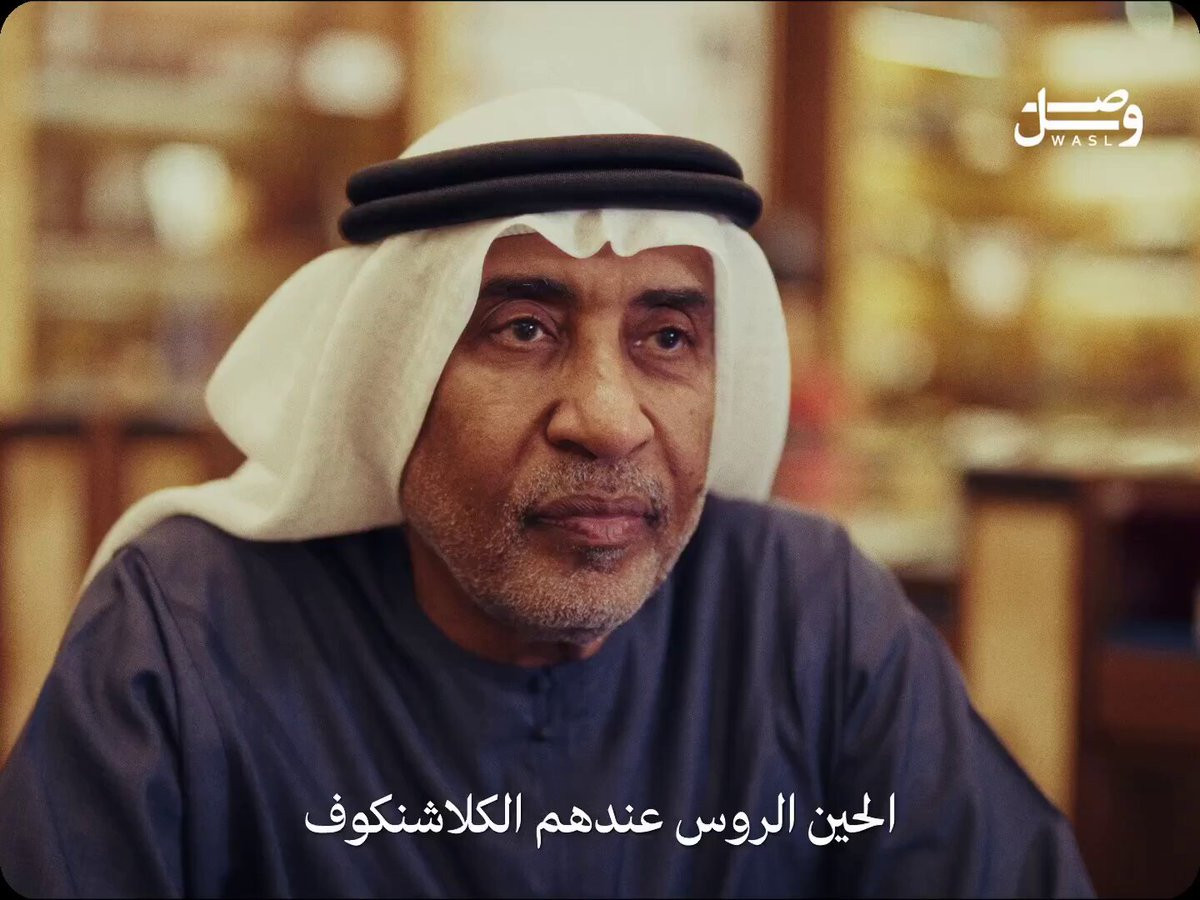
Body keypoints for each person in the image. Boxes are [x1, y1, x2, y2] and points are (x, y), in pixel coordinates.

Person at [0, 89, 1094, 899]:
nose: (608, 419)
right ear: (395, 377)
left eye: (668, 338)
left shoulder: (812, 616)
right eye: (523, 329)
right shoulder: (183, 634)